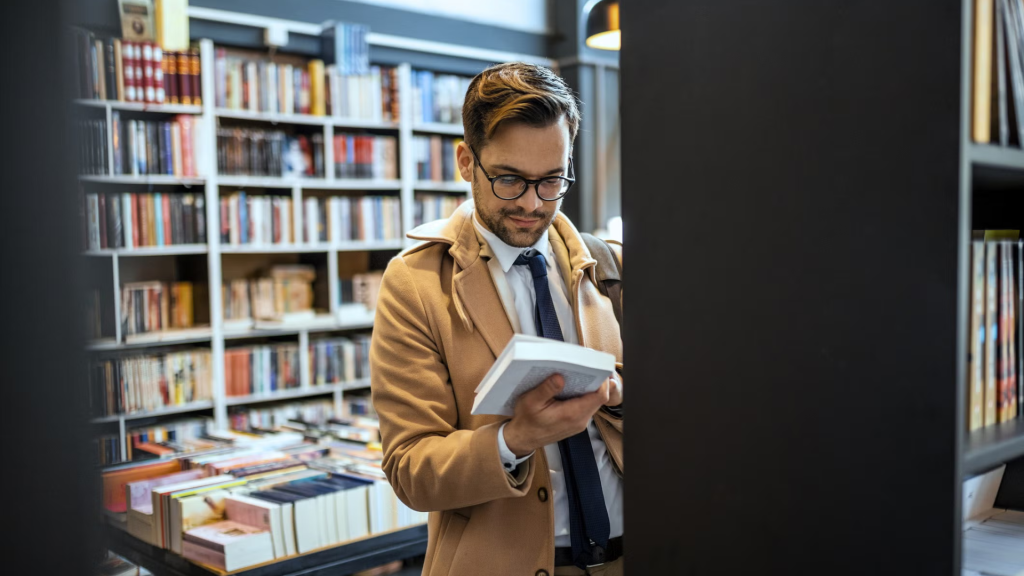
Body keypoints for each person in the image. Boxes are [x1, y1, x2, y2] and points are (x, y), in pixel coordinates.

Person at [370, 62, 624, 576]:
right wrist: (515, 440)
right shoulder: (416, 283)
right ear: (466, 162)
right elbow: (410, 470)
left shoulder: (610, 265)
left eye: (552, 180)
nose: (533, 204)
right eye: (509, 179)